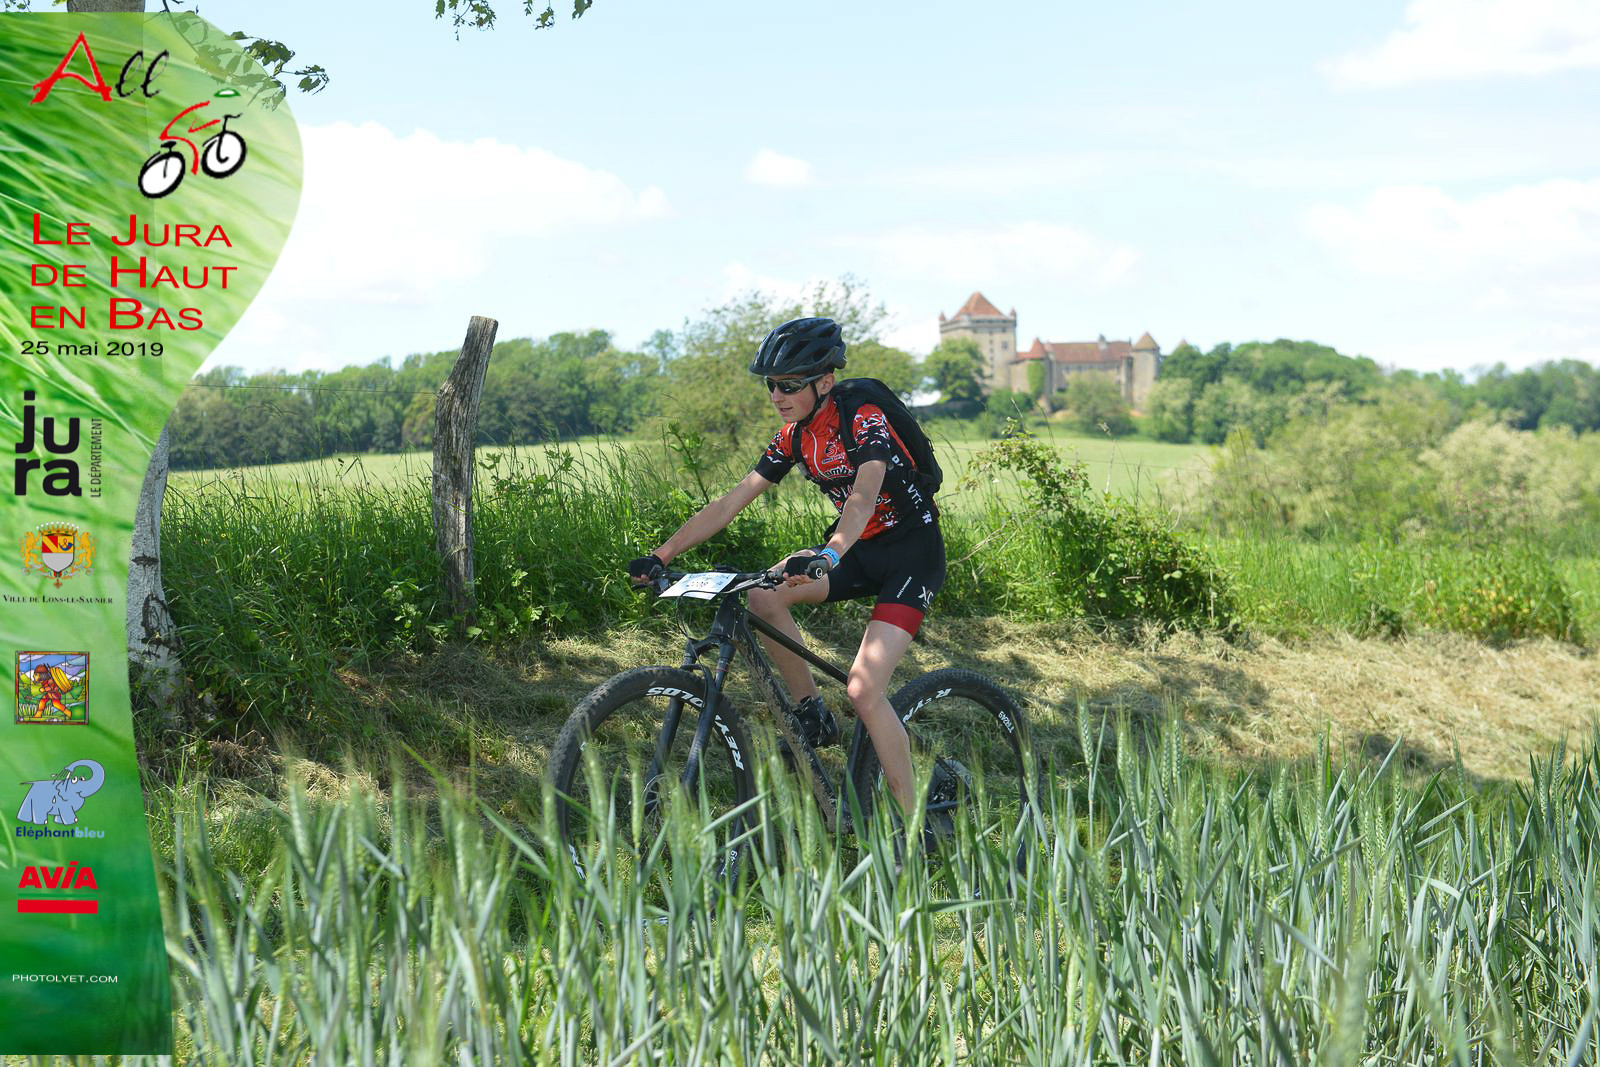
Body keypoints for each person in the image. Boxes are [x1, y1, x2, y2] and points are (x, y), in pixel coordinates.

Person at [629, 316, 944, 818]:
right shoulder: (795, 437)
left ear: (826, 381)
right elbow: (731, 501)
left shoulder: (863, 420)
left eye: (790, 385)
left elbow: (863, 497)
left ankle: (911, 829)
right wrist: (662, 554)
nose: (777, 395)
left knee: (864, 688)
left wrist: (829, 554)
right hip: (856, 549)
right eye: (772, 385)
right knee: (761, 595)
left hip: (912, 555)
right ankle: (812, 714)